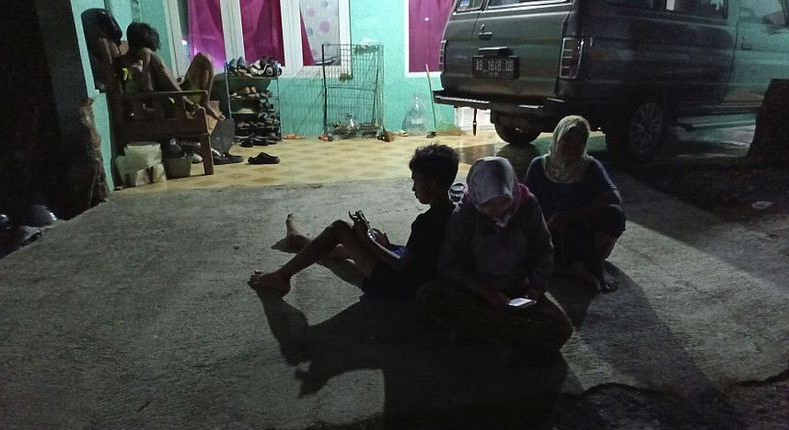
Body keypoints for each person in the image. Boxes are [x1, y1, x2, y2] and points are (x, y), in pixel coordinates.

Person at [247, 144, 460, 300]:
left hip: (402, 285)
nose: (413, 188)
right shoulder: (454, 211)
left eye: (416, 181)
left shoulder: (426, 222)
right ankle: (300, 240)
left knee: (340, 229)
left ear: (432, 184)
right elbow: (423, 254)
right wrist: (379, 244)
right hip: (420, 271)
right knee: (358, 242)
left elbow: (401, 266)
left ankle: (282, 276)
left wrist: (367, 239)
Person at [416, 157, 572, 355]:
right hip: (476, 294)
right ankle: (506, 336)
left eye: (504, 200)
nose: (498, 209)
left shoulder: (527, 205)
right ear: (478, 197)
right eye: (489, 204)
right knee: (428, 295)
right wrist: (484, 292)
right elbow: (448, 266)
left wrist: (535, 287)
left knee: (560, 328)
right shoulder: (465, 214)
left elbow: (544, 250)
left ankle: (483, 332)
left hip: (518, 292)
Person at [523, 115, 626, 293]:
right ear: (557, 137)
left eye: (579, 140)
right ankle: (574, 270)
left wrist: (573, 215)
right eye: (568, 138)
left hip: (579, 233)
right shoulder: (539, 166)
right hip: (548, 233)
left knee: (614, 214)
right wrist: (544, 223)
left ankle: (596, 264)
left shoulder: (589, 166)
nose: (573, 145)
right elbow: (526, 204)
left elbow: (614, 197)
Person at [115, 22, 225, 121]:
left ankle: (205, 103)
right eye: (147, 50)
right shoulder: (129, 65)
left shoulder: (142, 59)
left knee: (204, 58)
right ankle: (189, 105)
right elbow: (148, 89)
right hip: (169, 104)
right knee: (156, 60)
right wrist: (147, 58)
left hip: (178, 95)